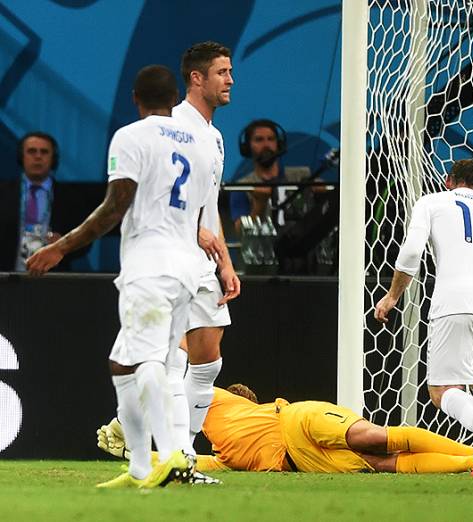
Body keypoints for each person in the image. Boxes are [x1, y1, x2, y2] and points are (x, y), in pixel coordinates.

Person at [28, 64, 228, 488]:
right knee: (123, 362)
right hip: (186, 267)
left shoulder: (131, 136)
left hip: (150, 265)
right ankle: (139, 466)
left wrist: (60, 247)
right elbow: (199, 212)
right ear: (173, 98)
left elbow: (115, 207)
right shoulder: (199, 141)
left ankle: (174, 454)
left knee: (150, 359)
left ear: (135, 98)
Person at [373, 158, 473, 478]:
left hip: (456, 301)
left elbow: (412, 252)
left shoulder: (432, 202)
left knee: (442, 391)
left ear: (447, 180)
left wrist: (392, 296)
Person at [97, 384, 473, 474]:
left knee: (372, 437)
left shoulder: (221, 401)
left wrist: (128, 420)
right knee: (380, 464)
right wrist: (133, 451)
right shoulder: (224, 458)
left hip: (297, 419)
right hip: (301, 461)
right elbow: (181, 465)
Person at [170, 41, 241, 470]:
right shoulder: (172, 126)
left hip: (203, 260)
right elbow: (156, 192)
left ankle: (186, 449)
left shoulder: (214, 136)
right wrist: (192, 228)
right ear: (197, 79)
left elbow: (209, 203)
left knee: (208, 359)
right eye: (222, 72)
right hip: (172, 253)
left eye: (230, 72)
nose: (230, 80)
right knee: (172, 351)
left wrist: (226, 262)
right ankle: (171, 449)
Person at [0, 132, 89, 271]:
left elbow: (86, 241)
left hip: (54, 280)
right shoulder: (3, 193)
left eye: (44, 152)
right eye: (31, 151)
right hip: (7, 278)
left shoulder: (71, 198)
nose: (38, 156)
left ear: (53, 158)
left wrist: (66, 246)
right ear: (21, 157)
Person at [228, 119, 311, 233]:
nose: (266, 145)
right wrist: (259, 204)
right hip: (263, 248)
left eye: (271, 139)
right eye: (259, 140)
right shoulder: (242, 187)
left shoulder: (301, 176)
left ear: (279, 144)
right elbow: (241, 232)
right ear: (247, 147)